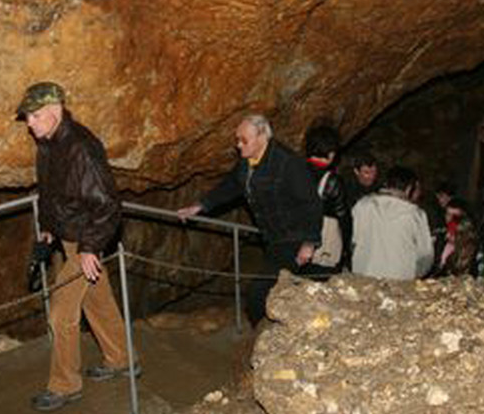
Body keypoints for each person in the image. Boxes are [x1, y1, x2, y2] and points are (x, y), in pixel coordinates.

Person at [17, 82, 135, 412]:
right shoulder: (49, 143)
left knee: (61, 313)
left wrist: (89, 248)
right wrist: (49, 231)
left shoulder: (80, 148)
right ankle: (121, 358)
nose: (30, 123)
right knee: (98, 302)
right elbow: (53, 194)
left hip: (86, 241)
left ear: (55, 112)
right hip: (70, 238)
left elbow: (108, 205)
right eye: (28, 117)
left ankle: (65, 385)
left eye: (35, 116)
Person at [178, 114, 322, 325]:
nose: (238, 145)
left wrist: (308, 243)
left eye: (244, 140)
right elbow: (231, 186)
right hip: (272, 237)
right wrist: (200, 206)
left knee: (258, 292)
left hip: (292, 237)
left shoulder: (288, 163)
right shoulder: (248, 162)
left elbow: (312, 203)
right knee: (278, 289)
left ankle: (260, 332)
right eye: (237, 139)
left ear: (262, 136)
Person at [350, 166, 436, 280]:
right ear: (410, 188)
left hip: (364, 277)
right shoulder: (415, 215)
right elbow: (425, 255)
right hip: (401, 281)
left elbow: (353, 242)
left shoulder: (362, 205)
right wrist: (414, 274)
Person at [303, 124, 350, 275]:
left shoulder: (292, 171)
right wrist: (347, 246)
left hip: (293, 244)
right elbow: (343, 217)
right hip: (321, 248)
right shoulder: (332, 181)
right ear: (331, 154)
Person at [431, 198, 477, 277]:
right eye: (448, 214)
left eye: (455, 217)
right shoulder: (440, 236)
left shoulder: (470, 243)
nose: (450, 219)